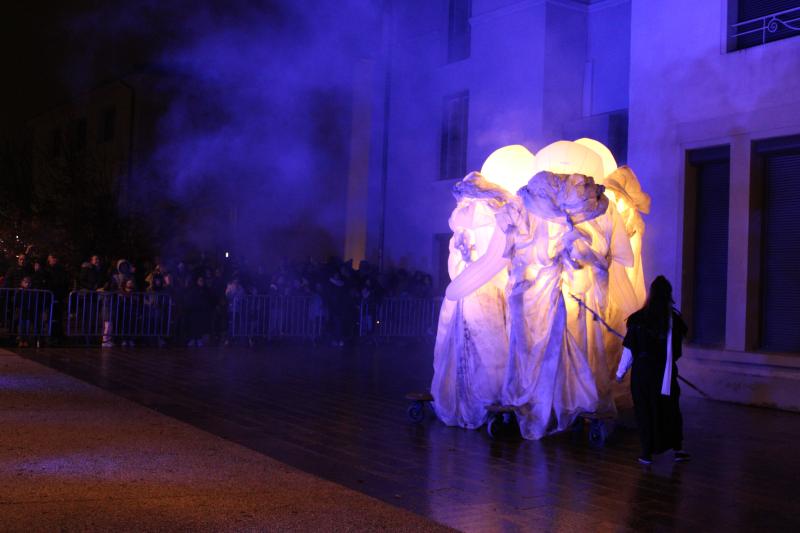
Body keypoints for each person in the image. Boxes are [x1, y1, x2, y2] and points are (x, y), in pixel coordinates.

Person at [615, 275, 690, 465]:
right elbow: (676, 351)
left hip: (643, 373)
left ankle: (646, 453)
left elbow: (629, 349)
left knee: (644, 410)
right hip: (665, 372)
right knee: (670, 409)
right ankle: (678, 448)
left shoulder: (638, 319)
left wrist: (620, 373)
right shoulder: (673, 320)